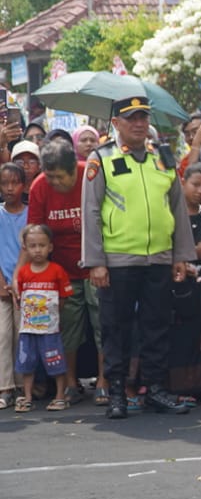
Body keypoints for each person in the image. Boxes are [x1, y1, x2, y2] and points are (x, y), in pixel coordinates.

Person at [80, 95, 197, 419]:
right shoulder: (100, 158)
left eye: (143, 117)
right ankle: (116, 392)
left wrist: (180, 256)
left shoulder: (163, 156)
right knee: (116, 328)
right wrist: (96, 261)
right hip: (118, 260)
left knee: (157, 326)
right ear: (115, 123)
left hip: (159, 258)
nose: (139, 123)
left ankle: (156, 389)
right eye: (131, 118)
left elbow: (177, 207)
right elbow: (90, 211)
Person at [32, 139, 94, 403]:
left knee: (104, 325)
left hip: (95, 266)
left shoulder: (91, 175)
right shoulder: (39, 187)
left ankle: (104, 379)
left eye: (60, 177)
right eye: (50, 176)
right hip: (62, 270)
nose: (54, 182)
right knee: (68, 328)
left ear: (73, 169)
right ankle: (70, 382)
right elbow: (33, 234)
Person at [12, 224, 73, 412]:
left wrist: (53, 316)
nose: (37, 250)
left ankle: (60, 395)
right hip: (28, 329)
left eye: (42, 245)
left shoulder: (57, 271)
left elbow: (64, 298)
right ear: (25, 248)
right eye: (32, 246)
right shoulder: (23, 273)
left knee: (55, 360)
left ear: (50, 247)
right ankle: (28, 396)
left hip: (50, 329)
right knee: (27, 362)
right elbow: (20, 299)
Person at [0, 162, 26, 410]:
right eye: (4, 183)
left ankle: (22, 386)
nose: (9, 188)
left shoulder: (31, 214)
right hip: (1, 285)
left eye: (14, 182)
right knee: (2, 335)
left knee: (22, 336)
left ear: (23, 185)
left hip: (26, 286)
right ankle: (5, 386)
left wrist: (19, 282)